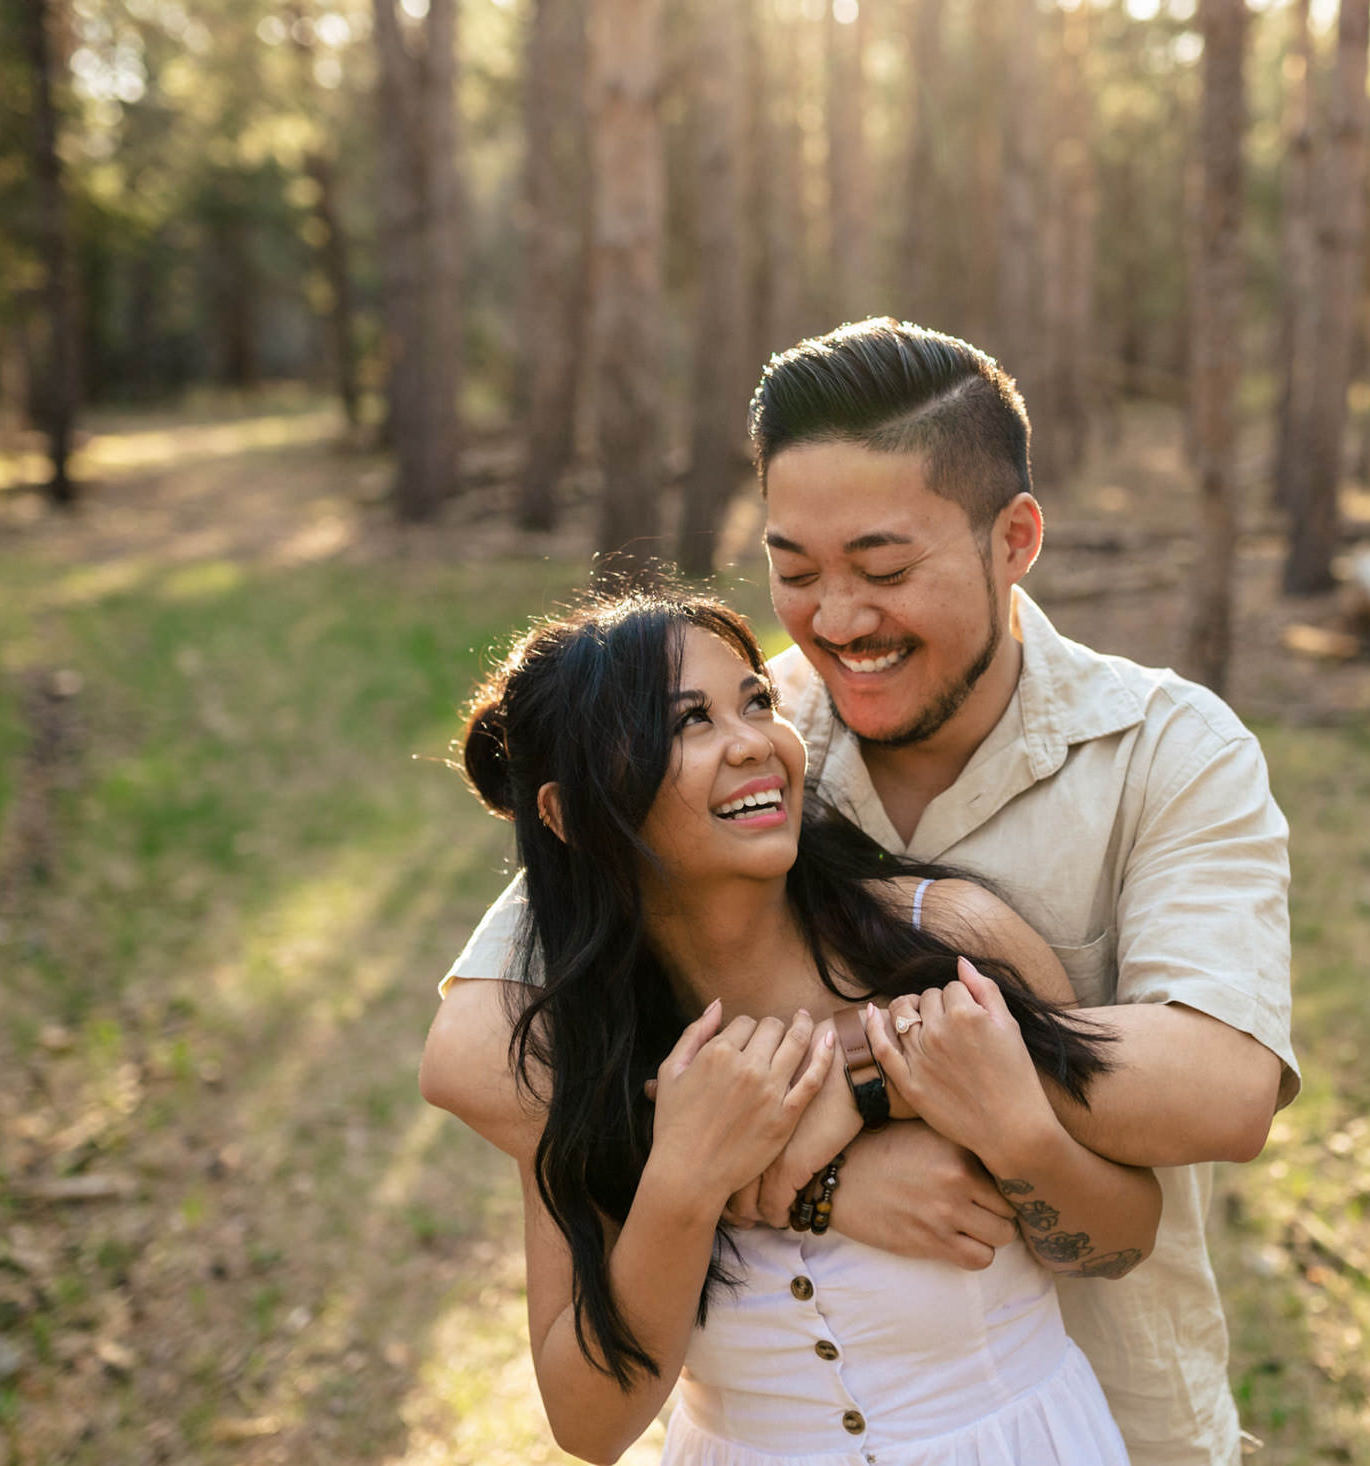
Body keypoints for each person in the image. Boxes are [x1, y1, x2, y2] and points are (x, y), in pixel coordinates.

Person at [423, 319, 1299, 1465]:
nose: (836, 623)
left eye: (883, 570)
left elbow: (1224, 1087)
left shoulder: (1166, 751)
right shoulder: (752, 731)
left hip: (1110, 1423)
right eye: (795, 573)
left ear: (1014, 539)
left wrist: (871, 1079)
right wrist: (804, 1173)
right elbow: (477, 1044)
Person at [462, 588, 1153, 1464]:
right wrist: (684, 1181)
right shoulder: (583, 1050)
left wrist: (1010, 1131)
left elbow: (1126, 1238)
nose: (753, 742)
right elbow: (588, 1427)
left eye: (756, 702)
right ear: (565, 816)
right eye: (687, 723)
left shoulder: (945, 943)